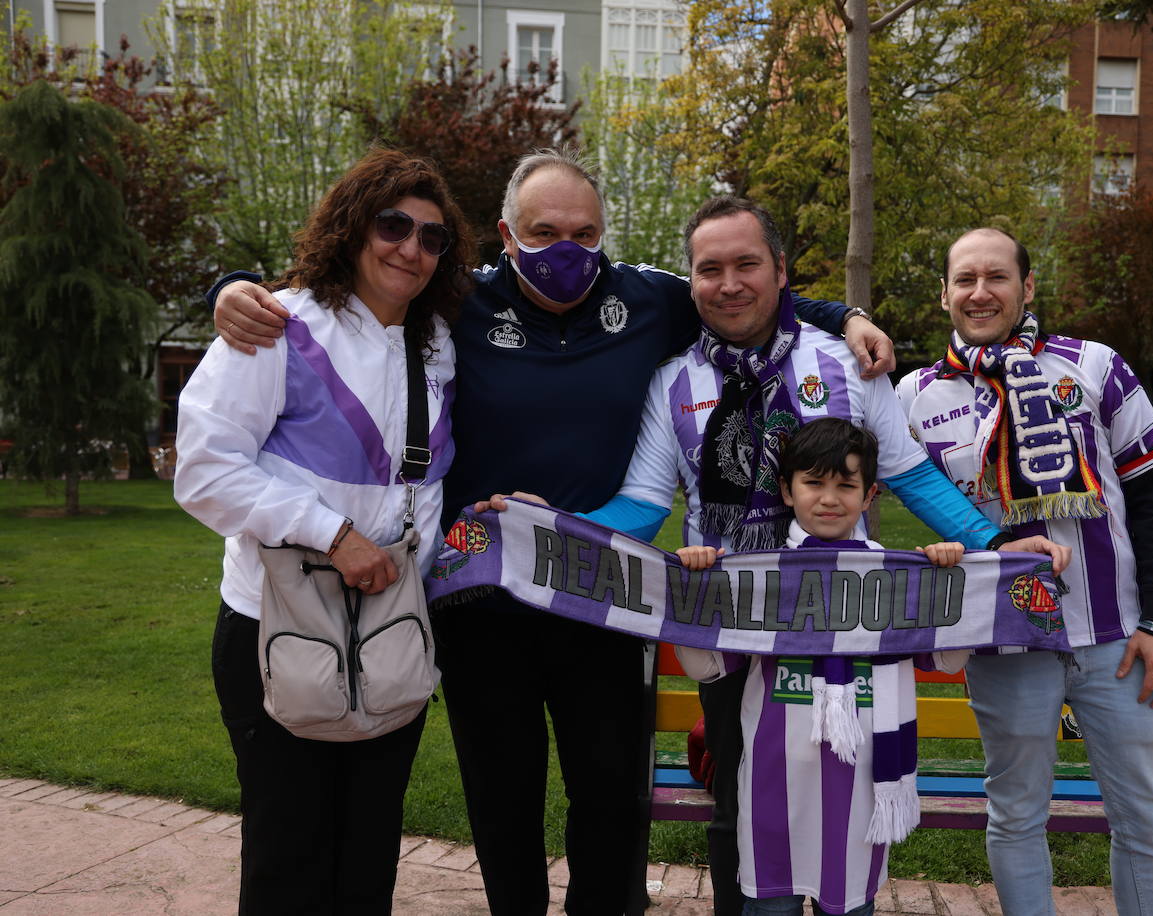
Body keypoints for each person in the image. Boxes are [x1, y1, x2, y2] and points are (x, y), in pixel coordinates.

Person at [208, 148, 895, 916]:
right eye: (543, 232)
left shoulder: (648, 298)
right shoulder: (453, 299)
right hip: (482, 602)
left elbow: (748, 299)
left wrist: (850, 316)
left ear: (606, 233)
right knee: (502, 806)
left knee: (612, 801)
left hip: (605, 598)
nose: (565, 250)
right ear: (506, 233)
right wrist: (228, 290)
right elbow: (343, 292)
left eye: (584, 232)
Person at [482, 197, 1066, 915]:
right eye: (710, 269)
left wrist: (999, 546)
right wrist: (557, 529)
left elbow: (913, 474)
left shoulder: (847, 365)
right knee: (742, 810)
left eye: (746, 264)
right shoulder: (673, 383)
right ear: (691, 281)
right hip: (733, 624)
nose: (729, 283)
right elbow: (642, 504)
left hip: (847, 618)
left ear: (781, 271)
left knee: (846, 797)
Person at [174, 149, 475, 914]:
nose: (410, 248)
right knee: (287, 857)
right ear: (351, 227)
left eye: (432, 237)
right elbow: (204, 470)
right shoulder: (280, 324)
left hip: (394, 629)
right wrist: (331, 533)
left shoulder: (439, 341)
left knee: (369, 858)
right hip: (279, 626)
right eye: (393, 225)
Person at [895, 227, 1153, 916]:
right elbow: (856, 489)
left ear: (1027, 288)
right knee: (1017, 815)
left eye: (996, 277)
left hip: (1118, 635)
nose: (980, 292)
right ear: (944, 294)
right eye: (964, 279)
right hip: (1004, 642)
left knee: (1147, 818)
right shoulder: (914, 395)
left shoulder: (1095, 366)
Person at [674, 418, 966, 916]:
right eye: (814, 483)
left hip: (865, 788)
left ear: (869, 495)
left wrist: (947, 579)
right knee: (770, 907)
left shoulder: (896, 579)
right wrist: (692, 594)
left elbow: (948, 656)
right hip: (774, 783)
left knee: (851, 907)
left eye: (846, 485)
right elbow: (706, 667)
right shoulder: (761, 576)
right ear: (787, 491)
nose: (829, 498)